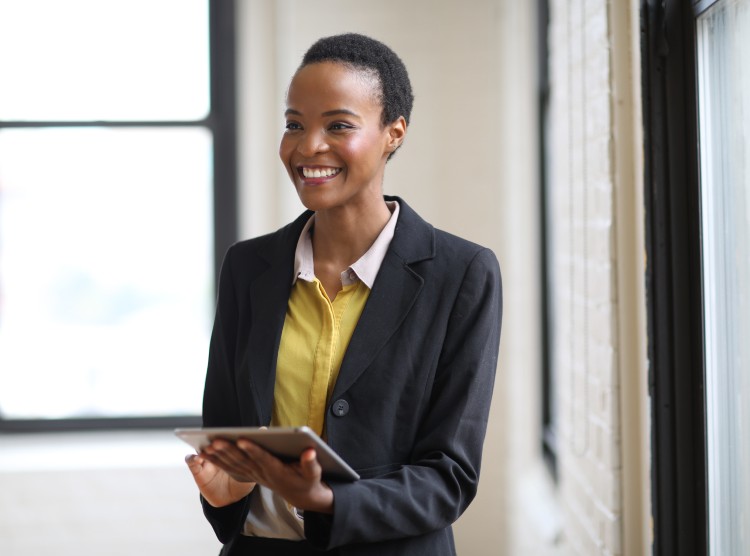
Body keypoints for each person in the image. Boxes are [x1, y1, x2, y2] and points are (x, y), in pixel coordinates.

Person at [185, 33, 502, 556]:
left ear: (393, 133)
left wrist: (328, 499)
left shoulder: (462, 273)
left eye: (338, 125)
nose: (308, 146)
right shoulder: (248, 267)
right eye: (294, 124)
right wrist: (227, 494)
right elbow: (227, 438)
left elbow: (449, 477)